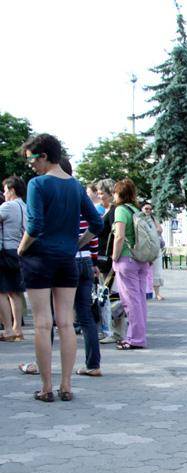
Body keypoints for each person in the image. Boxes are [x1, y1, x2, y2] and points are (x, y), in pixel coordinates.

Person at [18, 133, 102, 402]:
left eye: (32, 159)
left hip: (39, 259)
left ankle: (46, 388)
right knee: (66, 322)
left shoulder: (37, 184)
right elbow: (97, 224)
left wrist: (21, 248)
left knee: (43, 324)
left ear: (44, 156)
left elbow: (34, 226)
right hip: (67, 259)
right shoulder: (75, 186)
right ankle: (66, 386)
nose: (31, 165)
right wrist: (77, 243)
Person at [111, 179, 149, 350]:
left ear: (119, 194)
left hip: (127, 259)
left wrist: (114, 257)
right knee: (140, 299)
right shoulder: (137, 210)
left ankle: (134, 339)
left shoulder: (121, 210)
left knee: (130, 300)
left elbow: (119, 236)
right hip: (141, 259)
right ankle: (140, 335)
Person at [74, 211, 102, 376]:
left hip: (66, 260)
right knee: (86, 315)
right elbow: (94, 237)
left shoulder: (59, 208)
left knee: (53, 315)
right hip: (86, 260)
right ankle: (93, 365)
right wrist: (94, 261)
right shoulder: (84, 211)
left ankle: (41, 363)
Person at [0, 176, 27, 341]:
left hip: (5, 252)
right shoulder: (25, 206)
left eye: (5, 190)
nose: (4, 194)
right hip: (19, 251)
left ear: (12, 190)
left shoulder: (8, 206)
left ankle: (8, 329)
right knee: (15, 292)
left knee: (1, 292)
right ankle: (18, 329)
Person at [95, 179, 116, 342]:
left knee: (107, 295)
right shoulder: (108, 210)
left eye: (102, 193)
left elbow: (116, 235)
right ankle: (108, 329)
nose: (99, 196)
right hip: (104, 257)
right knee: (105, 295)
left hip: (108, 258)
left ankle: (110, 331)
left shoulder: (113, 211)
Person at [141, 201, 165, 301]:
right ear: (141, 209)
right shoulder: (139, 218)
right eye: (146, 208)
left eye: (150, 209)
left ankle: (157, 293)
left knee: (157, 270)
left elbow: (160, 230)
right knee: (144, 270)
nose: (148, 211)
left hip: (155, 247)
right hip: (143, 248)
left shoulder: (153, 218)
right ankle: (144, 292)